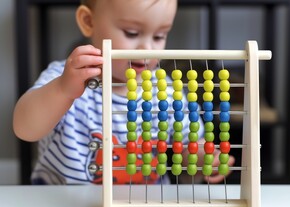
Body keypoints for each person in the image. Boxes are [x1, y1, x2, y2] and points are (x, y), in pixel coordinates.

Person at [13, 0, 235, 185]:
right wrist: (62, 90)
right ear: (88, 22)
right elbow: (24, 128)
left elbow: (186, 148)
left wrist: (202, 160)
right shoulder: (63, 78)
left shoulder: (166, 91)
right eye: (132, 33)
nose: (147, 49)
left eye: (159, 37)